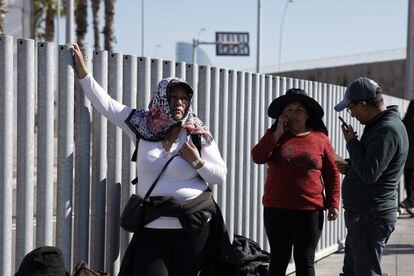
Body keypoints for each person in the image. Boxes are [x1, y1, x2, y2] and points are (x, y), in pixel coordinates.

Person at [71, 43, 233, 276]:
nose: (179, 102)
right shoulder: (141, 125)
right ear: (160, 97)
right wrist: (84, 74)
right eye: (173, 96)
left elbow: (220, 176)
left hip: (193, 228)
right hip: (152, 227)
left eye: (184, 98)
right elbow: (106, 104)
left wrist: (197, 161)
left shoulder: (197, 132)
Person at [251, 88, 340, 276]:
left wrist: (333, 203)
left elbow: (331, 173)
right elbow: (258, 157)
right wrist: (276, 134)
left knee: (305, 261)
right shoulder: (274, 135)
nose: (293, 114)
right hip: (276, 209)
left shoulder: (320, 139)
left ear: (308, 115)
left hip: (309, 211)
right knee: (278, 260)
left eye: (299, 110)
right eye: (288, 110)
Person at [334, 77, 409, 276]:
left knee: (364, 272)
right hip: (365, 214)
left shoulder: (386, 130)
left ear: (363, 104)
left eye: (351, 108)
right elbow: (372, 165)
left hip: (370, 214)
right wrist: (349, 166)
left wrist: (351, 143)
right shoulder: (379, 125)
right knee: (352, 270)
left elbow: (370, 173)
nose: (351, 114)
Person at [399, 99, 414, 215]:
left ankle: (410, 201)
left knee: (409, 182)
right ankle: (410, 202)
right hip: (410, 158)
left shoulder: (405, 123)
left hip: (408, 158)